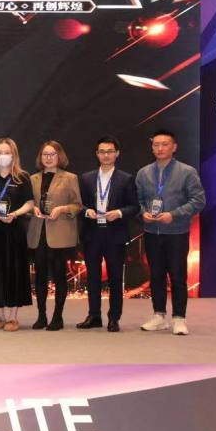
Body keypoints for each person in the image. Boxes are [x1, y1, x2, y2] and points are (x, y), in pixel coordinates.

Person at [136, 129, 206, 336]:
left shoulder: (187, 171)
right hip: (152, 231)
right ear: (152, 148)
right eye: (156, 144)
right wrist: (143, 213)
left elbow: (198, 200)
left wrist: (174, 215)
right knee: (156, 274)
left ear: (174, 147)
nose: (160, 148)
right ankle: (159, 316)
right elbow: (137, 200)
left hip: (177, 232)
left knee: (177, 275)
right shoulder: (143, 173)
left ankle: (179, 318)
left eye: (164, 144)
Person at [77, 136, 139, 332]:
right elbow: (78, 205)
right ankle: (94, 315)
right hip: (91, 234)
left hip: (115, 235)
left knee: (115, 278)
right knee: (92, 277)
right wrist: (87, 211)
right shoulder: (86, 178)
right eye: (102, 151)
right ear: (97, 154)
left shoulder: (126, 178)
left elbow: (134, 206)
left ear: (117, 153)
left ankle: (114, 317)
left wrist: (119, 212)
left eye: (110, 151)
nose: (106, 155)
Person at [0, 138, 35, 330]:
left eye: (7, 152)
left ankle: (13, 318)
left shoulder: (22, 177)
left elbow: (30, 203)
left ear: (14, 155)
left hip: (15, 230)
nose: (3, 156)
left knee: (14, 271)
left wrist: (15, 214)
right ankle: (0, 316)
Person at [27, 141, 82, 331]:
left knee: (59, 277)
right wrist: (32, 209)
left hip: (60, 234)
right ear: (40, 157)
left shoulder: (70, 178)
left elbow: (77, 205)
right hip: (38, 234)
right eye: (45, 154)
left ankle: (57, 317)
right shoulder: (32, 179)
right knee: (40, 278)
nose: (48, 158)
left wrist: (62, 209)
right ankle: (41, 316)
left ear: (60, 156)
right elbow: (27, 205)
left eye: (52, 154)